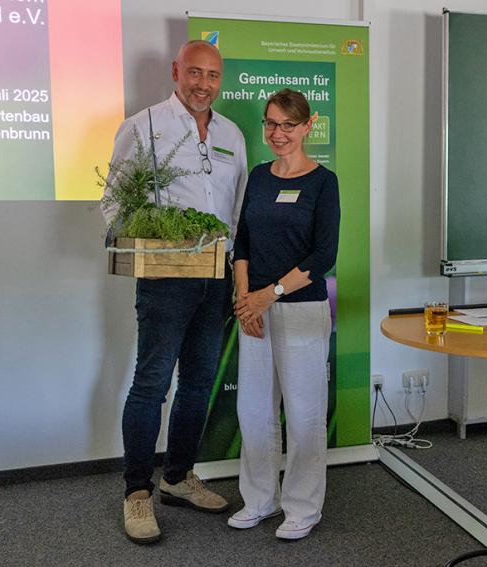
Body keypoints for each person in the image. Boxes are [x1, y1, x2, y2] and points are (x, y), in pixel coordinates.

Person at [100, 40, 248, 545]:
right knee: (151, 384)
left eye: (213, 75)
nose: (203, 84)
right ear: (176, 72)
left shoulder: (232, 133)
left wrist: (230, 265)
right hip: (164, 279)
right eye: (195, 73)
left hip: (216, 277)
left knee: (199, 381)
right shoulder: (142, 126)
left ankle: (178, 476)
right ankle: (136, 492)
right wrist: (158, 235)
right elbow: (114, 203)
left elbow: (237, 208)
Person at [229, 89, 340, 540]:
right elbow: (243, 244)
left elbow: (323, 255)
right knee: (253, 410)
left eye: (287, 125)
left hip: (301, 310)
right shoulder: (257, 177)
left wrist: (267, 295)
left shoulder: (322, 181)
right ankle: (258, 499)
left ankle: (302, 507)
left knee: (303, 413)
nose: (277, 133)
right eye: (270, 124)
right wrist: (244, 300)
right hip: (253, 309)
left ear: (307, 125)